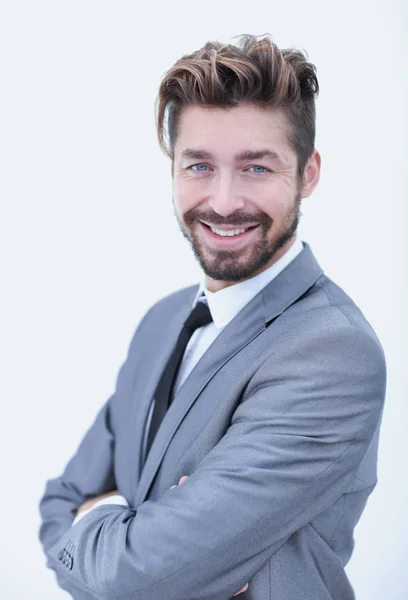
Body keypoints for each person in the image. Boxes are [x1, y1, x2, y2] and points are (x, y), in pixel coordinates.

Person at [38, 33, 386, 600]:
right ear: (173, 169)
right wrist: (134, 542)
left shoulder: (332, 351)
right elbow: (60, 499)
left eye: (256, 169)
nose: (223, 201)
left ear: (309, 173)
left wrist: (110, 529)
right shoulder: (162, 322)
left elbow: (134, 577)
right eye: (199, 165)